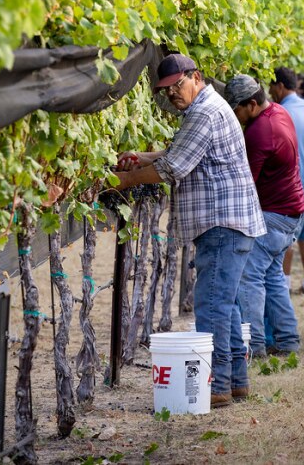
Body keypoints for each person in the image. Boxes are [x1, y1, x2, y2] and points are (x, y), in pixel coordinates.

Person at [112, 53, 265, 408]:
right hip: (230, 224)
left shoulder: (203, 112)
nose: (173, 95)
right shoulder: (206, 107)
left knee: (211, 307)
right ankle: (236, 382)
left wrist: (123, 181)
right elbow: (181, 153)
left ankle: (218, 387)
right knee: (225, 306)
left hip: (222, 225)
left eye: (177, 86)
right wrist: (143, 155)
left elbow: (174, 168)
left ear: (195, 77)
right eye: (166, 91)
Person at [225, 74, 304, 357]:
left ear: (252, 103)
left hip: (272, 215)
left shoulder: (259, 132)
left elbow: (248, 184)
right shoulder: (279, 112)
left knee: (250, 278)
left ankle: (254, 346)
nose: (235, 115)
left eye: (237, 109)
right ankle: (287, 341)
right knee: (272, 277)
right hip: (291, 212)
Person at [269, 67, 304, 295]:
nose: (270, 92)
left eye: (271, 87)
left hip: (297, 184)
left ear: (280, 86)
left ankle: (284, 285)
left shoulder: (279, 111)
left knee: (286, 239)